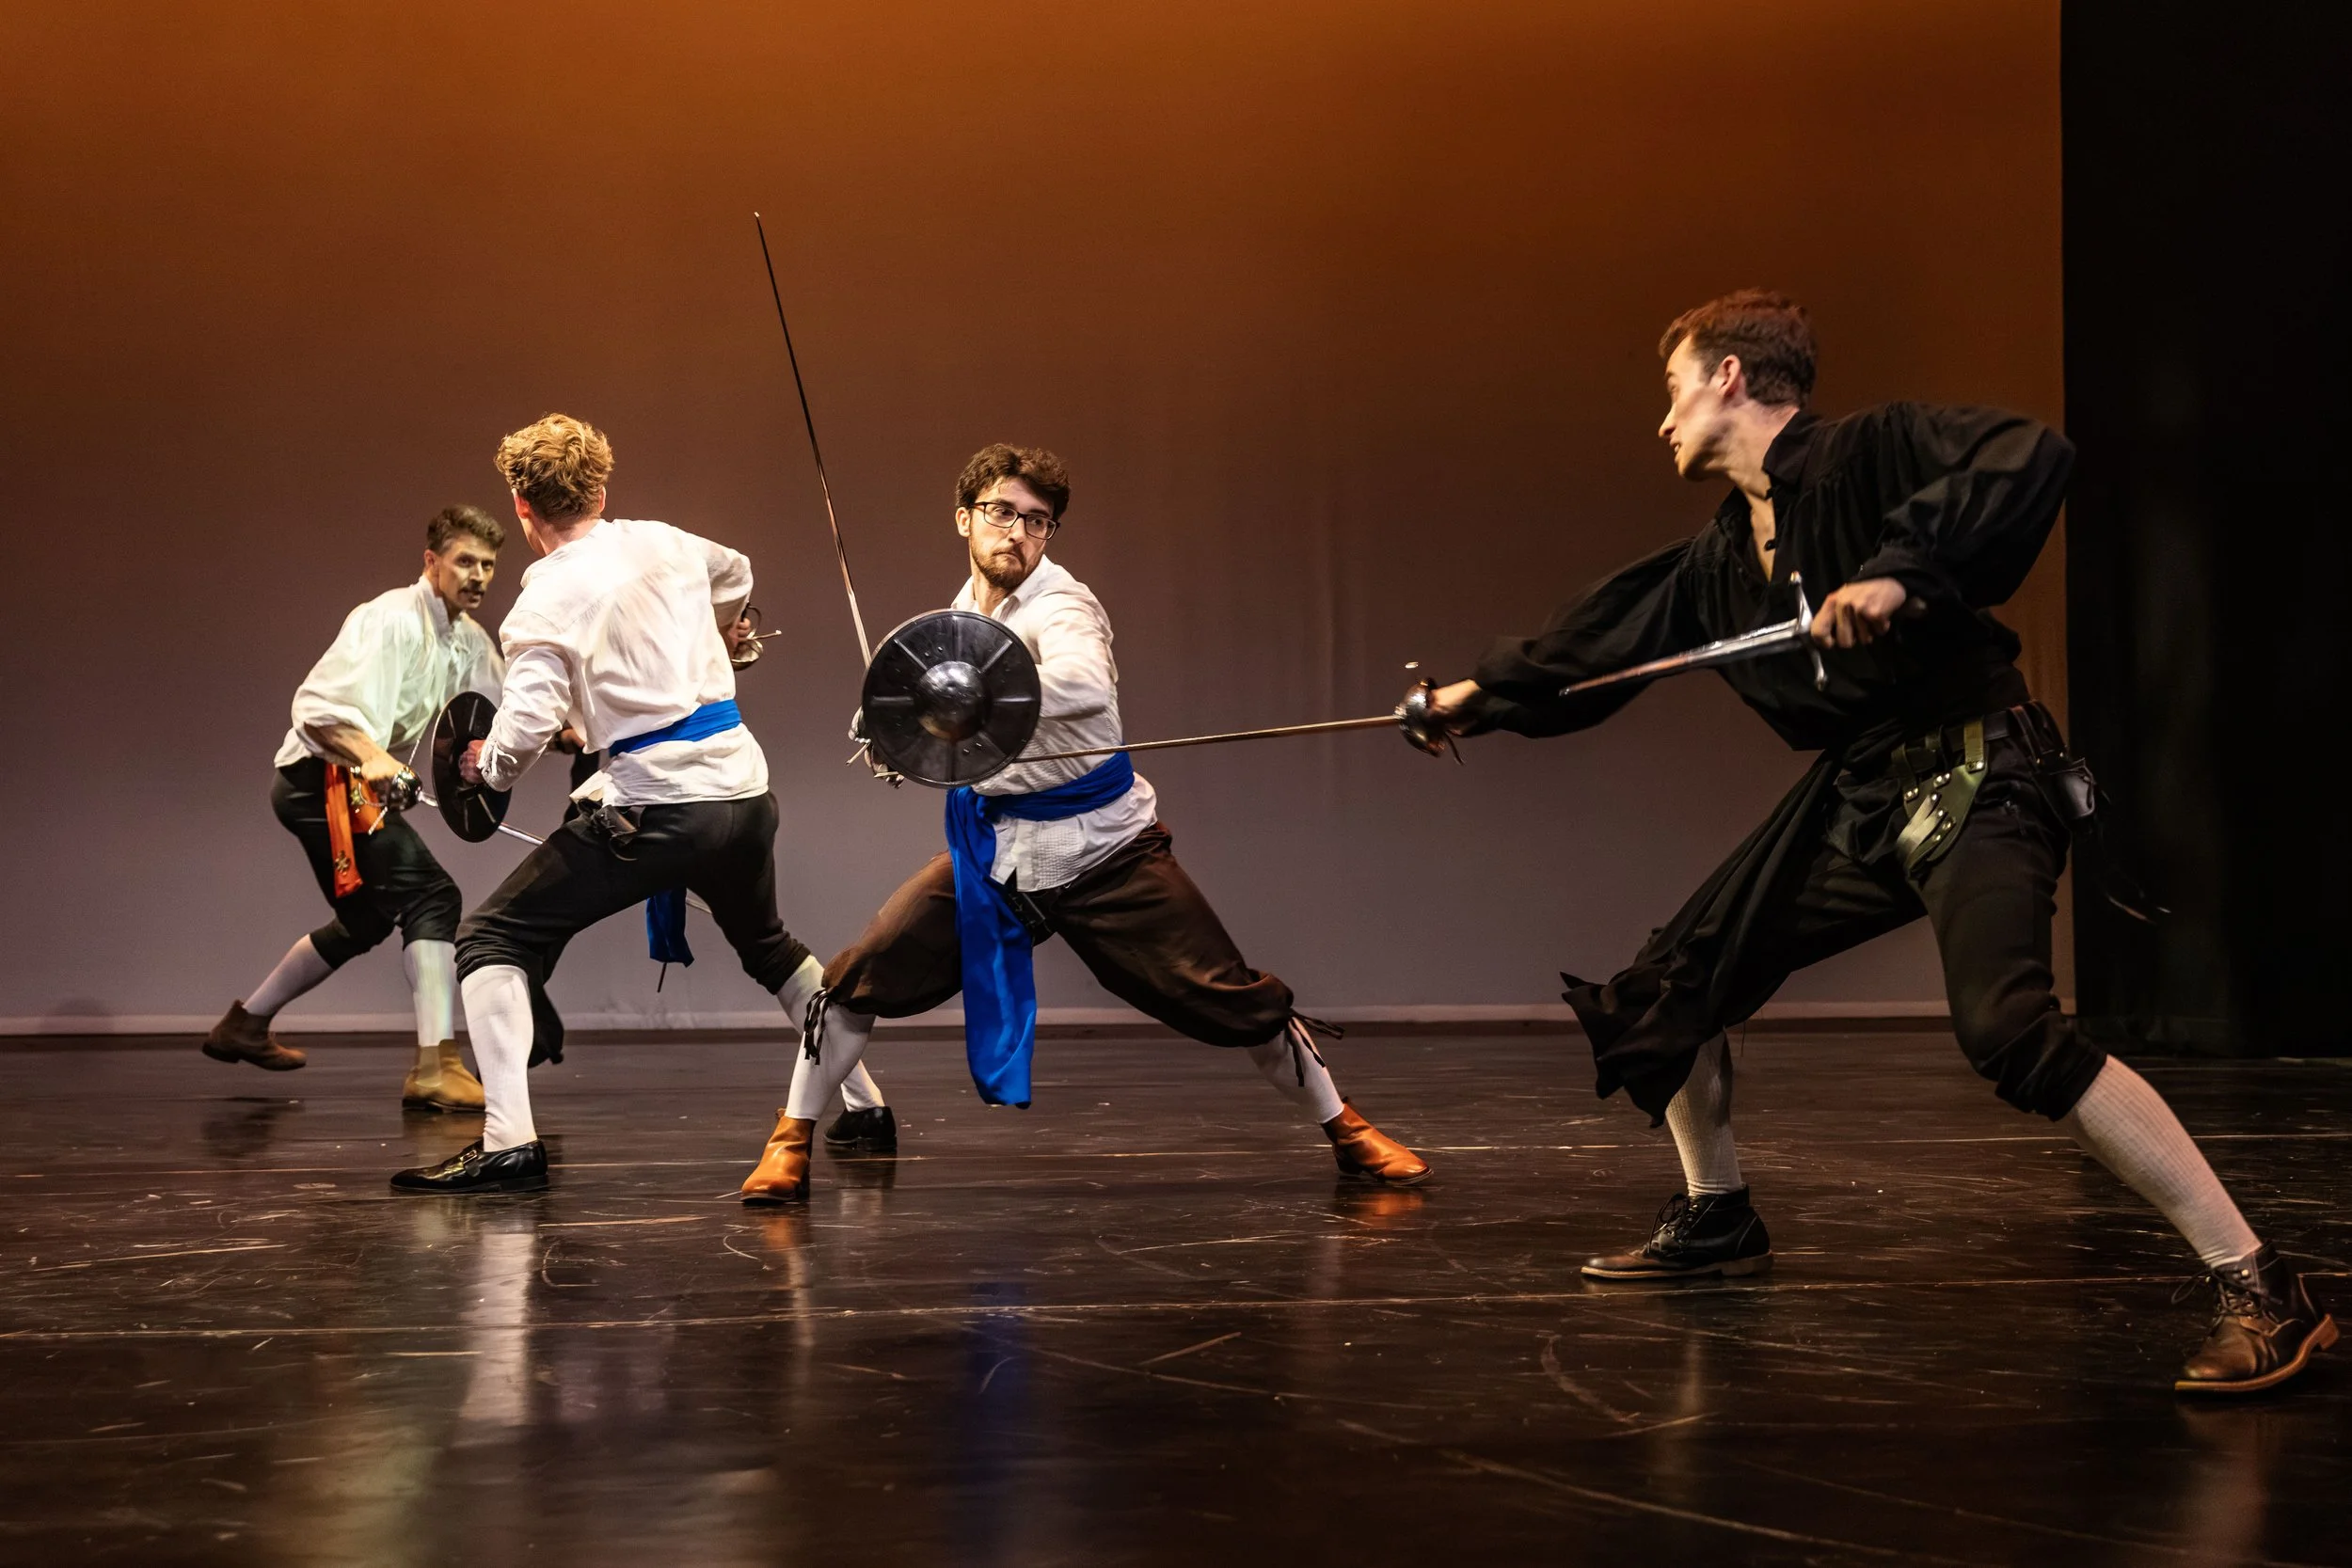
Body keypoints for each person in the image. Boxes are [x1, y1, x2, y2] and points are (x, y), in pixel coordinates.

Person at [1423, 290, 2332, 1395]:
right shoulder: (1717, 561)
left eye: (1671, 391)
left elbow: (2025, 452)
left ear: (1727, 378)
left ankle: (2264, 1286)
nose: (1660, 422)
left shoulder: (1870, 452)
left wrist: (1902, 569)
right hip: (1861, 792)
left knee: (2007, 1030)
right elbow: (1595, 646)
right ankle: (1717, 1216)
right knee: (1670, 985)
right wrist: (1473, 697)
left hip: (1980, 766)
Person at [738, 443, 1429, 1205]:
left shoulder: (1064, 605)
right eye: (1002, 512)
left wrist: (957, 703)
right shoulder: (961, 618)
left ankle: (1350, 1130)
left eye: (1038, 522)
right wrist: (903, 732)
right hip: (996, 851)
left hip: (1104, 850)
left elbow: (1082, 685)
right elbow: (941, 722)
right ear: (964, 517)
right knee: (857, 976)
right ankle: (791, 1137)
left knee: (1236, 996)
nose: (1018, 534)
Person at [389, 413, 827, 1193]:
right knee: (768, 945)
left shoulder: (543, 600)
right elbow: (738, 572)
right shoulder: (665, 540)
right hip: (746, 793)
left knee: (489, 939)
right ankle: (861, 1105)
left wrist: (483, 771)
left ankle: (507, 1142)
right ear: (600, 488)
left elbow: (518, 733)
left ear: (521, 506)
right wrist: (720, 632)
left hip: (659, 809)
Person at [205, 506, 506, 1112]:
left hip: (349, 788)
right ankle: (435, 1067)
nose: (477, 575)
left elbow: (506, 713)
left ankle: (244, 1025)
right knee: (433, 897)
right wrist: (375, 757)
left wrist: (564, 733)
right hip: (316, 780)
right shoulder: (389, 618)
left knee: (369, 920)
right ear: (432, 562)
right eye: (465, 561)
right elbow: (318, 710)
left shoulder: (468, 640)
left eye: (488, 565)